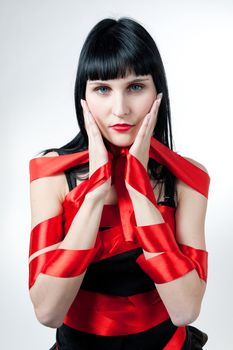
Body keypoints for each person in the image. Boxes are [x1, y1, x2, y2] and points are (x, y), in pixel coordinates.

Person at [28, 17, 210, 349]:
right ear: (82, 95)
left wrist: (139, 189)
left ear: (158, 92)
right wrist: (95, 193)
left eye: (136, 87)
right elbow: (47, 312)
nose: (120, 109)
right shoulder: (53, 175)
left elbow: (185, 309)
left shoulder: (187, 178)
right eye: (102, 89)